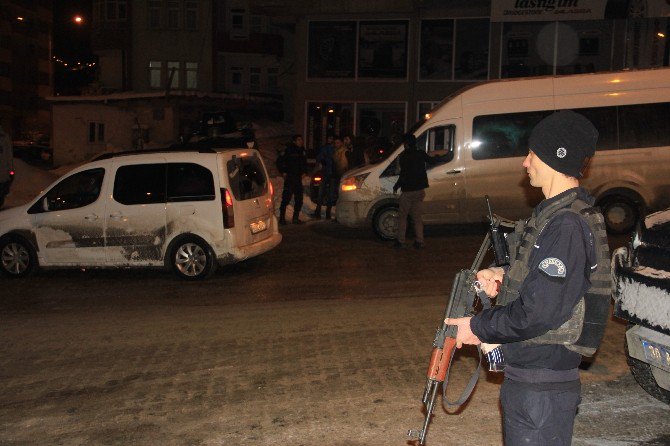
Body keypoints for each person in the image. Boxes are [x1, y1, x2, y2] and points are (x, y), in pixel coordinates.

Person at [445, 110, 609, 446]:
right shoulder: (558, 216)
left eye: (532, 153)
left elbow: (539, 312)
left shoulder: (565, 225)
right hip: (535, 382)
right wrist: (502, 275)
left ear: (553, 156)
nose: (525, 162)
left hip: (541, 387)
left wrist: (477, 327)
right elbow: (547, 281)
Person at [392, 133, 443, 249]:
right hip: (420, 190)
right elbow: (432, 161)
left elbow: (403, 175)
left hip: (408, 191)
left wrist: (396, 186)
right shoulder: (420, 154)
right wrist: (439, 157)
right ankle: (419, 241)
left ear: (406, 144)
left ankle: (401, 241)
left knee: (403, 216)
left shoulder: (404, 157)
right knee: (417, 217)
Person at [276, 134, 308, 225]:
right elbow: (279, 161)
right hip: (290, 177)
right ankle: (282, 218)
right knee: (286, 198)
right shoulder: (289, 150)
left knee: (299, 199)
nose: (300, 141)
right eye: (298, 140)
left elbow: (304, 163)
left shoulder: (302, 151)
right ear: (294, 141)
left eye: (301, 140)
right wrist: (283, 171)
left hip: (298, 178)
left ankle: (295, 218)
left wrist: (304, 172)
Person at [312, 134, 336, 220]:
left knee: (330, 193)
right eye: (329, 138)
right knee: (322, 192)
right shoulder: (325, 148)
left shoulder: (334, 149)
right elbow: (319, 157)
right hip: (325, 173)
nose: (330, 140)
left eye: (332, 139)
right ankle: (319, 212)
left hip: (331, 174)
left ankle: (327, 213)